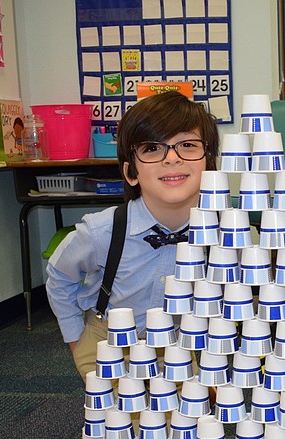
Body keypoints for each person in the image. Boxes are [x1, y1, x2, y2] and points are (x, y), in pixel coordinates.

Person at [46, 91, 219, 379]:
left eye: (187, 145)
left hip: (176, 346)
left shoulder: (223, 234)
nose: (172, 159)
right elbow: (59, 276)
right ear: (130, 172)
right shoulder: (102, 231)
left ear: (209, 162)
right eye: (152, 148)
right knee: (121, 422)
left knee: (191, 418)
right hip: (109, 343)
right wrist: (76, 340)